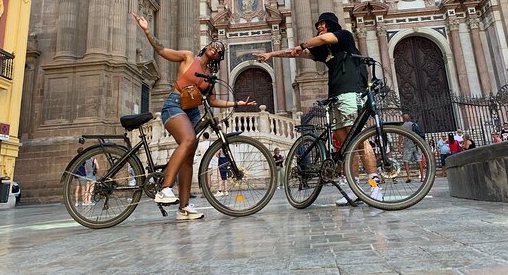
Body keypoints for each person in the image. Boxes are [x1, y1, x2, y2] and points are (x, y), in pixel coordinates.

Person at [132, 13, 256, 221]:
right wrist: (146, 30)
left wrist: (237, 104)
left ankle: (184, 208)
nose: (215, 48)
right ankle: (164, 189)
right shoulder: (189, 58)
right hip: (174, 105)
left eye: (219, 49)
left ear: (219, 58)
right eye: (214, 44)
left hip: (193, 112)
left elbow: (214, 102)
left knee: (189, 156)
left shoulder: (210, 77)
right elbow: (161, 50)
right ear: (207, 46)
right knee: (189, 140)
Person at [254, 12, 381, 206]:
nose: (319, 27)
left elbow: (320, 39)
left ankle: (374, 186)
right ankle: (354, 189)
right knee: (347, 147)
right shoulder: (324, 51)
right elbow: (295, 53)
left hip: (351, 92)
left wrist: (304, 44)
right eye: (319, 25)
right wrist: (272, 54)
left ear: (331, 25)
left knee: (360, 140)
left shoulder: (344, 36)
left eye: (323, 24)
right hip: (335, 95)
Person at [400, 114, 424, 182]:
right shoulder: (414, 124)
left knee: (406, 161)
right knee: (419, 160)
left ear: (403, 119)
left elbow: (401, 136)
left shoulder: (403, 126)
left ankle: (408, 177)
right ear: (409, 118)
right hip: (416, 144)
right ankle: (422, 176)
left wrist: (399, 145)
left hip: (407, 145)